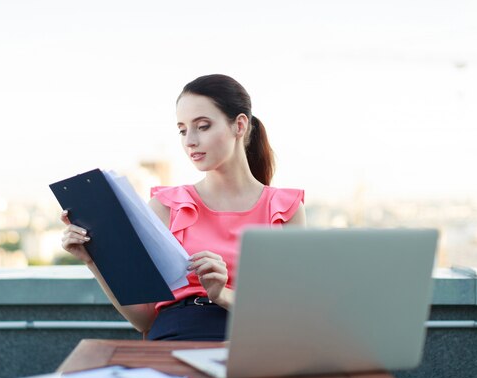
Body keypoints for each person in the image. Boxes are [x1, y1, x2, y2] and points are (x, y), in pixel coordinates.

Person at [61, 74, 306, 341]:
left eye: (202, 126)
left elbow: (289, 315)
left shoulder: (284, 208)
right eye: (182, 129)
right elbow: (143, 319)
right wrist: (93, 260)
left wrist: (222, 294)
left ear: (239, 125)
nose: (189, 140)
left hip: (255, 339)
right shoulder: (166, 207)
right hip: (178, 334)